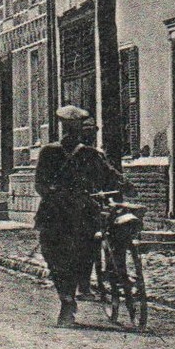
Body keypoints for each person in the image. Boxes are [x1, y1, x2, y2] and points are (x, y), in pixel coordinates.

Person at [34, 106, 125, 327]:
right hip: (82, 213)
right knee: (82, 254)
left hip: (52, 214)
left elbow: (40, 185)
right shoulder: (91, 154)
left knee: (54, 257)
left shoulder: (48, 152)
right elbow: (111, 178)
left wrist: (53, 194)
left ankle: (66, 299)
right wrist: (126, 185)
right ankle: (73, 293)